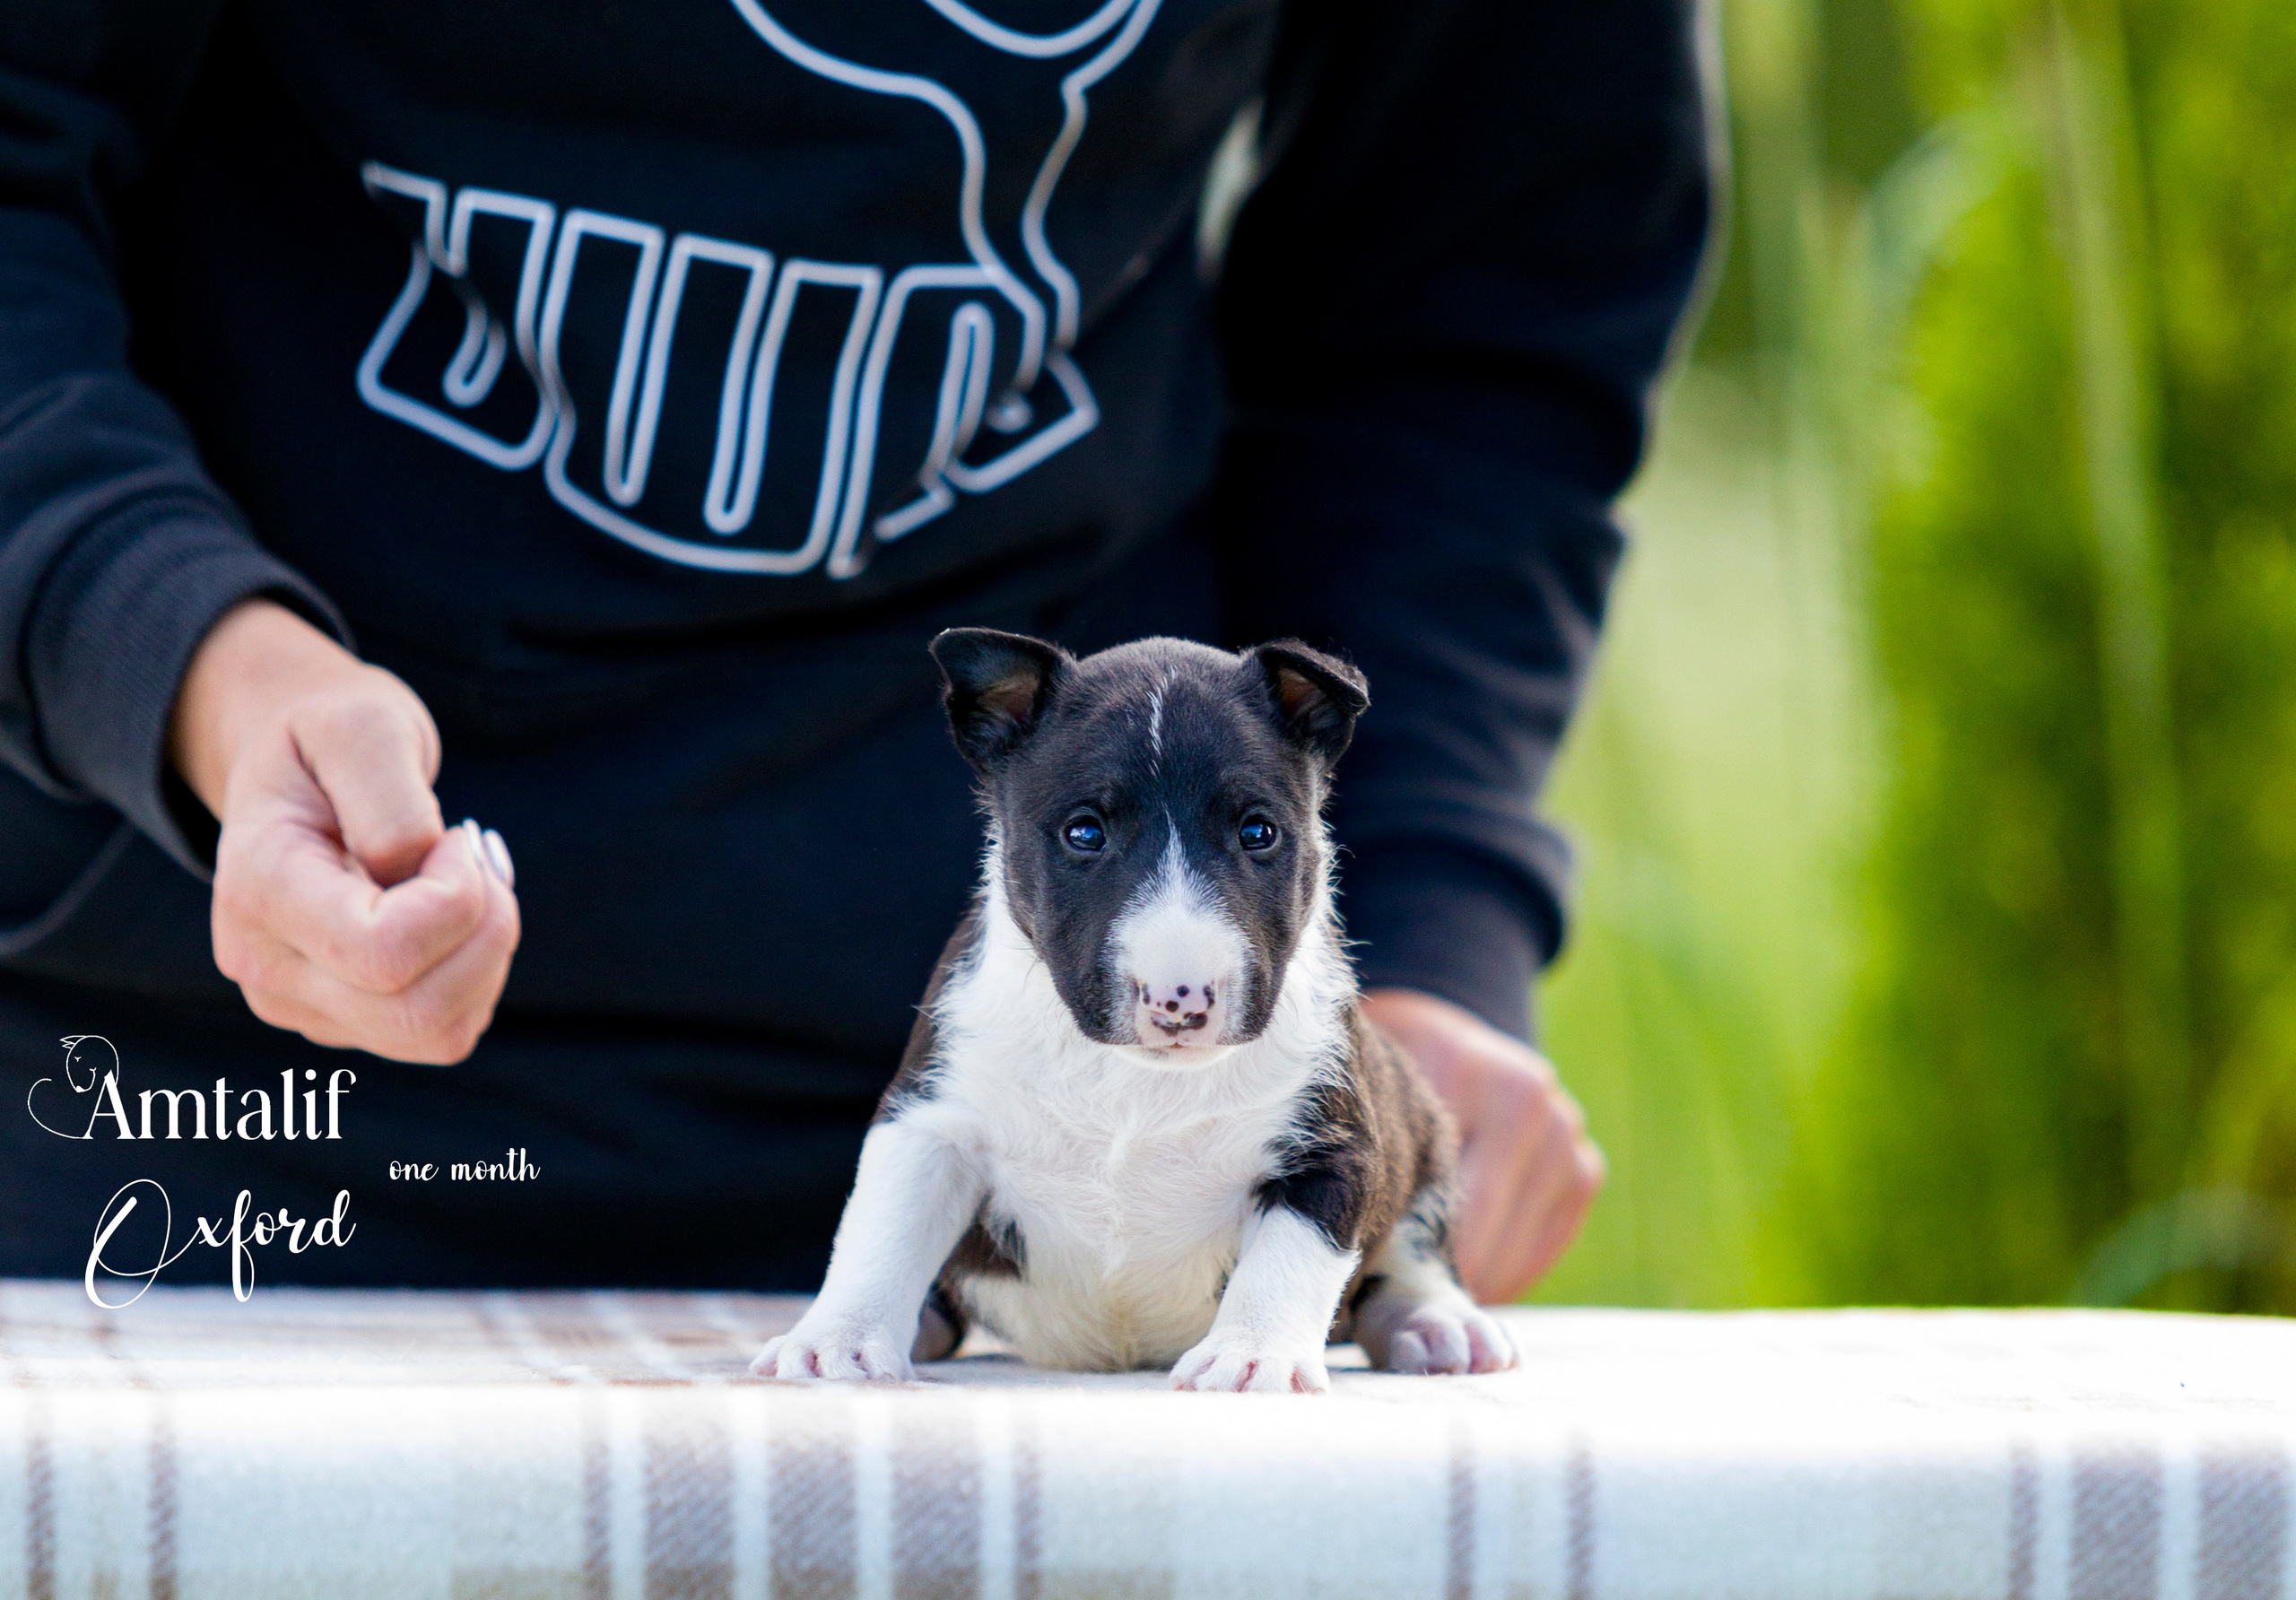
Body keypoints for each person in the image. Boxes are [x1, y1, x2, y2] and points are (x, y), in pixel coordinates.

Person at [0, 0, 1709, 1301]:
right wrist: (184, 658)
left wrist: (1385, 970)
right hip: (178, 1124)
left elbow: (1484, 280)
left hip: (1073, 1182)